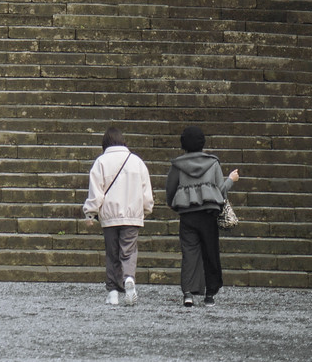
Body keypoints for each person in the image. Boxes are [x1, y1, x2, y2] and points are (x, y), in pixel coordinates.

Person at [166, 124, 240, 307]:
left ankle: (188, 293)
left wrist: (176, 205)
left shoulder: (178, 165)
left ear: (183, 143)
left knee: (189, 253)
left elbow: (170, 190)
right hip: (208, 214)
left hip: (187, 214)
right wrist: (231, 180)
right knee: (210, 252)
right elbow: (220, 191)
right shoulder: (213, 163)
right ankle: (210, 294)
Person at [82, 126, 154, 304]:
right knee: (128, 251)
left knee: (112, 253)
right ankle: (129, 278)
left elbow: (96, 190)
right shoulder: (136, 161)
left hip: (109, 215)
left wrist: (90, 213)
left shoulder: (101, 162)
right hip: (132, 214)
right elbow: (146, 190)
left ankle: (113, 292)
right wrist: (145, 209)